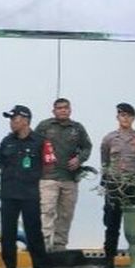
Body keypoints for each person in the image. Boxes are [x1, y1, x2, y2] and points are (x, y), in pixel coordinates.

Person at [0, 105, 50, 268]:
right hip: (9, 193)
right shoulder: (7, 141)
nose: (11, 122)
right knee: (8, 233)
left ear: (25, 120)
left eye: (14, 118)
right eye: (11, 119)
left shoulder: (39, 141)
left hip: (29, 193)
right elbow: (1, 162)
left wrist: (31, 177)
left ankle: (40, 267)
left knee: (34, 231)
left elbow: (48, 164)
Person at [35, 97, 93, 254]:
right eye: (59, 108)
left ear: (70, 110)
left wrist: (79, 159)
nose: (63, 110)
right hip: (48, 177)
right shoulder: (44, 126)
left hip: (70, 179)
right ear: (53, 111)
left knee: (66, 214)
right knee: (46, 212)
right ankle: (43, 247)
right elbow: (34, 145)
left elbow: (87, 147)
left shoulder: (77, 128)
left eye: (66, 108)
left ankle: (59, 247)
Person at [98, 102, 135, 268]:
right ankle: (108, 260)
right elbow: (104, 161)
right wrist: (107, 179)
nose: (125, 118)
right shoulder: (109, 138)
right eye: (122, 115)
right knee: (112, 224)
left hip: (133, 186)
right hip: (114, 185)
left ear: (133, 118)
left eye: (128, 115)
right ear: (117, 117)